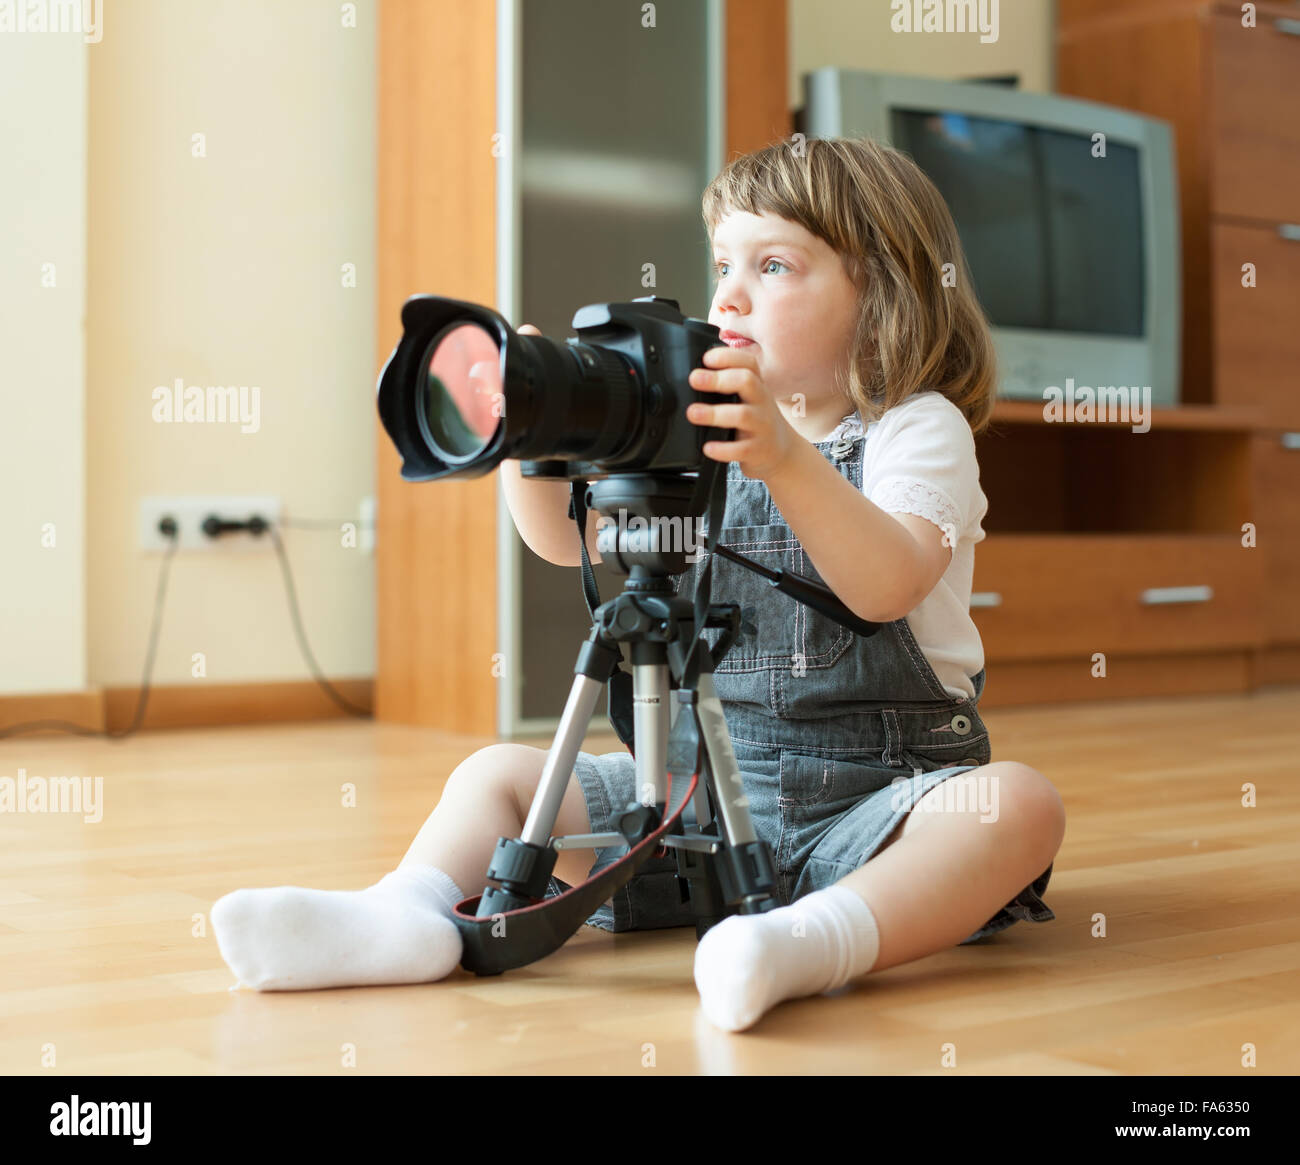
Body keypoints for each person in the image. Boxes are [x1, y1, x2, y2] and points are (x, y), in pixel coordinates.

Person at [212, 137, 1065, 1034]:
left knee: (1015, 804)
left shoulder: (913, 428)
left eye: (773, 265)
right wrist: (530, 436)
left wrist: (781, 455)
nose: (729, 295)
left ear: (884, 289)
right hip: (700, 794)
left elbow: (885, 584)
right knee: (498, 771)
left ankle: (814, 942)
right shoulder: (699, 425)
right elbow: (559, 540)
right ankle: (407, 913)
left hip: (880, 801)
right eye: (722, 264)